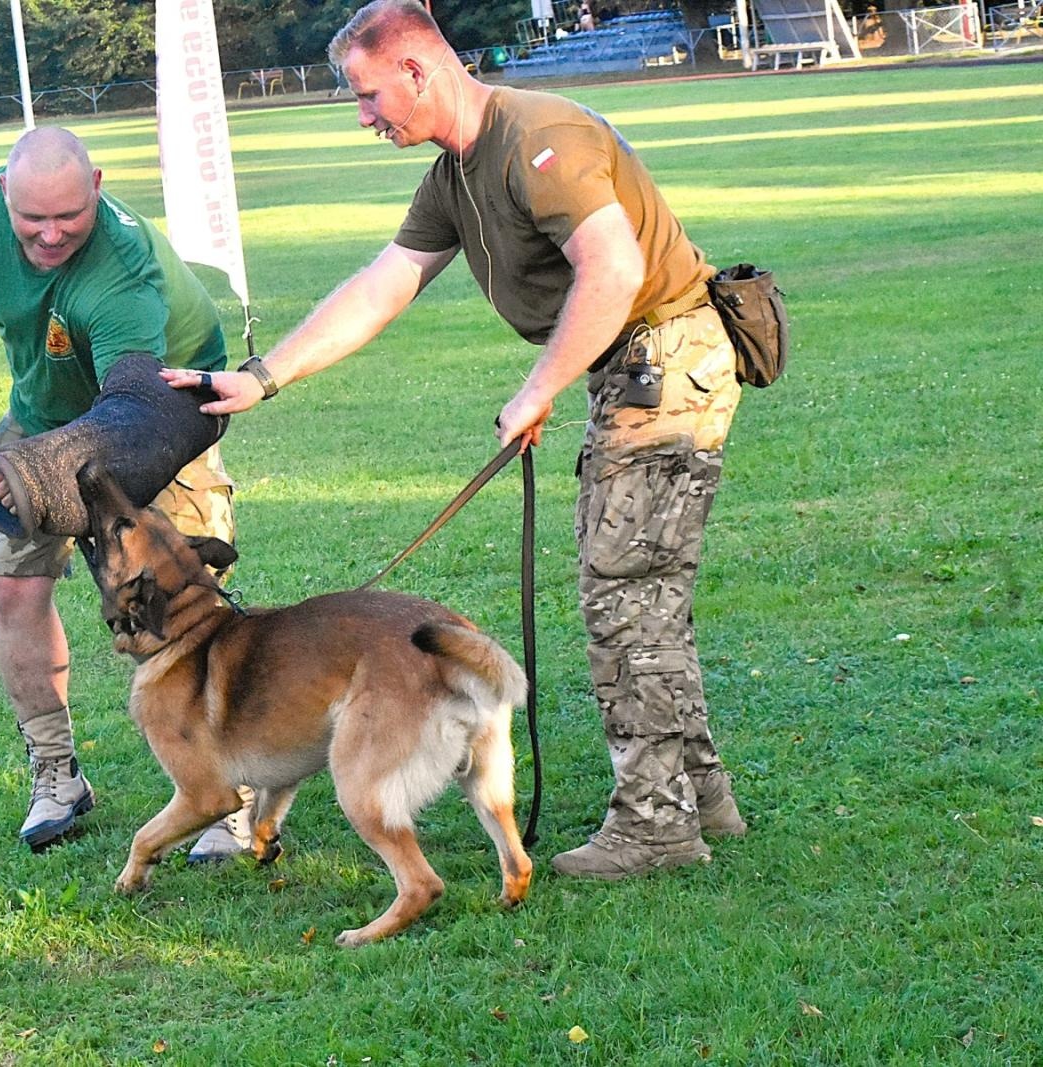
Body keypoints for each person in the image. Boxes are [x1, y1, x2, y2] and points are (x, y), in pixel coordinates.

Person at [165, 0, 747, 881]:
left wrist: (538, 387)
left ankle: (658, 825)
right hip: (631, 367)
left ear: (417, 70)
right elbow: (386, 282)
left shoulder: (537, 138)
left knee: (627, 598)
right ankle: (701, 798)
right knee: (639, 591)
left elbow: (615, 267)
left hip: (667, 360)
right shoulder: (454, 174)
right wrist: (263, 376)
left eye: (367, 95)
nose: (363, 117)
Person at [0, 126, 252, 859]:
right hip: (45, 410)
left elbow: (127, 410)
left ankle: (226, 788)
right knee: (14, 586)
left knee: (186, 599)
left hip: (159, 407)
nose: (50, 235)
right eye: (32, 218)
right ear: (6, 197)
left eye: (69, 216)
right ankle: (57, 773)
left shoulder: (120, 276)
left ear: (98, 186)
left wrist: (50, 474)